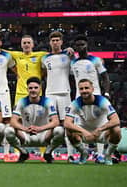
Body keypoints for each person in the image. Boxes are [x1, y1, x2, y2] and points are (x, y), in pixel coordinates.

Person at [4, 77, 64, 163]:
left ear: (40, 89)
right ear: (27, 89)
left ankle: (48, 152)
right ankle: (23, 152)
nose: (33, 90)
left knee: (60, 130)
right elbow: (13, 121)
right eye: (30, 88)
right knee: (8, 130)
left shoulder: (47, 101)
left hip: (44, 136)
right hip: (26, 135)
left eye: (36, 88)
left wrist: (40, 128)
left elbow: (56, 121)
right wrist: (25, 129)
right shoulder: (22, 101)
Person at [71, 34, 111, 162]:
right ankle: (84, 153)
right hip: (79, 99)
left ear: (87, 45)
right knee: (81, 125)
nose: (80, 47)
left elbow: (105, 78)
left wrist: (106, 93)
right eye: (77, 45)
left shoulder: (96, 60)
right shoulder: (73, 62)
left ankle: (100, 155)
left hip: (96, 97)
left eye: (82, 44)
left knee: (99, 123)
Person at [64, 79, 121, 165]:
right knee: (68, 130)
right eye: (81, 89)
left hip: (101, 133)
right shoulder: (75, 103)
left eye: (86, 88)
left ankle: (108, 155)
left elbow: (116, 120)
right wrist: (84, 132)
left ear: (92, 89)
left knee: (117, 130)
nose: (84, 91)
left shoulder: (102, 101)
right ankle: (83, 153)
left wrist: (99, 130)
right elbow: (67, 123)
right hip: (84, 134)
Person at [41, 31, 75, 162]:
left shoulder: (68, 55)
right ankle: (48, 153)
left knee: (67, 124)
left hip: (65, 93)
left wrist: (73, 55)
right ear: (50, 42)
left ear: (61, 42)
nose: (55, 42)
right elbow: (43, 73)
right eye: (53, 40)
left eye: (57, 40)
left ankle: (71, 155)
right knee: (50, 125)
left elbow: (74, 69)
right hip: (50, 94)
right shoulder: (45, 58)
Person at [8, 35, 48, 105]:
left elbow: (55, 53)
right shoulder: (17, 55)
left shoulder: (40, 55)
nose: (26, 45)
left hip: (36, 92)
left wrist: (68, 50)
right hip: (20, 92)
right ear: (21, 45)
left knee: (36, 115)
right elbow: (0, 51)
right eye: (24, 43)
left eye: (29, 43)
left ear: (32, 45)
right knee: (18, 115)